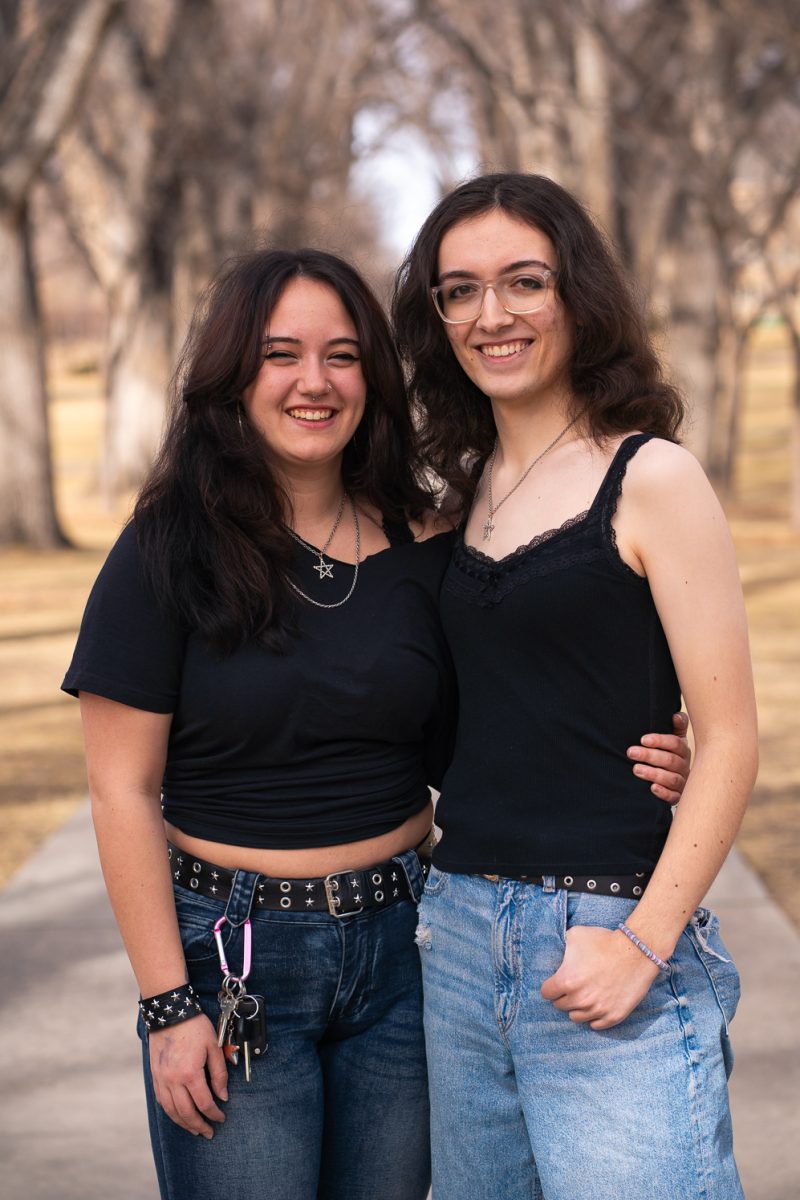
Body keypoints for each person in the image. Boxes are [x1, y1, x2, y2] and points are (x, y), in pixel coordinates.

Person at [63, 248, 688, 1200]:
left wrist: (649, 751)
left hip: (408, 950)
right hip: (235, 961)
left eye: (343, 355)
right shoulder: (166, 550)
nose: (314, 382)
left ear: (374, 379)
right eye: (281, 354)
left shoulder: (428, 541)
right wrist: (166, 1002)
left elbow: (508, 712)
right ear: (235, 374)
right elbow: (120, 788)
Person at [392, 173, 758, 1200]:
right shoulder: (446, 501)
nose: (489, 314)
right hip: (454, 939)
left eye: (522, 281)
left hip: (607, 931)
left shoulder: (650, 479)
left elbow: (729, 741)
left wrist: (640, 947)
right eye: (456, 291)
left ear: (576, 294)